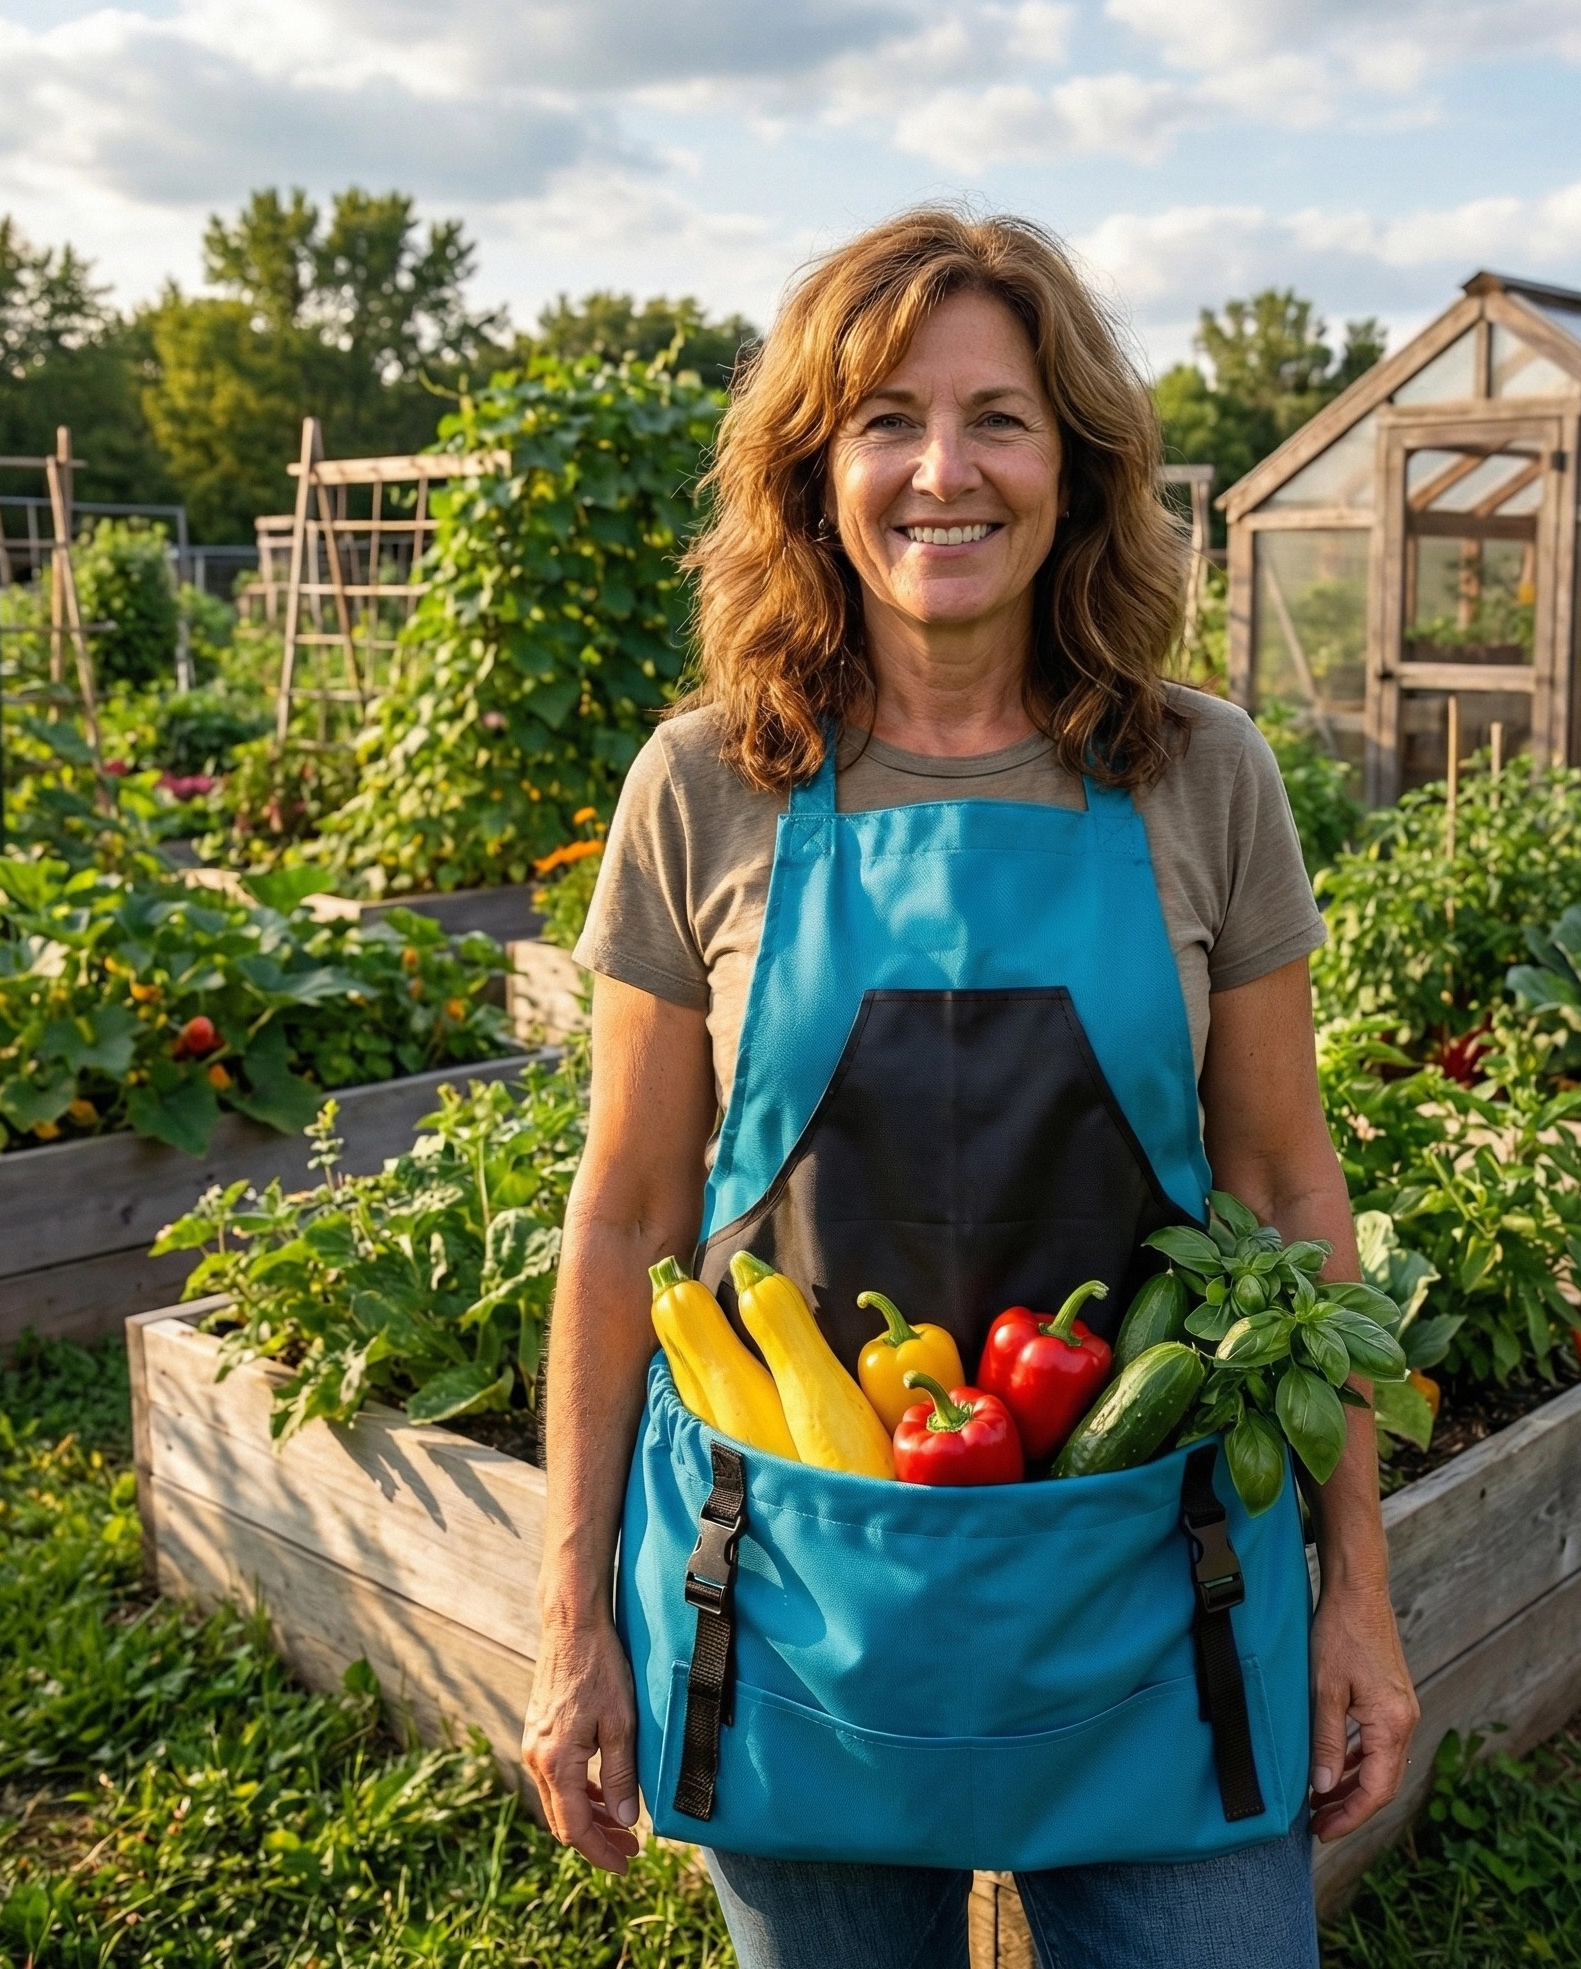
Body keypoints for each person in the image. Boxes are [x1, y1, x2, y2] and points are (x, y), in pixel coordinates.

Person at [522, 208, 1418, 1969]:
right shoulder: (704, 785)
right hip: (795, 1596)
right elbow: (626, 1213)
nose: (948, 470)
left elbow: (1292, 1185)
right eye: (887, 422)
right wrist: (568, 1610)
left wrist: (1359, 1594)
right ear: (814, 473)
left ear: (1077, 467)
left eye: (1000, 416)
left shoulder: (1199, 774)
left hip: (1165, 1582)